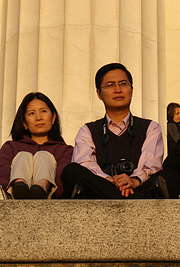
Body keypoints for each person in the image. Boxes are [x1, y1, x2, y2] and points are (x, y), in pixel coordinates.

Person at [62, 62, 172, 199]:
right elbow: (85, 164)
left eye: (123, 84)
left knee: (170, 173)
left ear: (132, 90)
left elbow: (151, 166)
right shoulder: (88, 130)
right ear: (99, 94)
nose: (118, 89)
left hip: (137, 186)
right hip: (103, 192)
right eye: (110, 85)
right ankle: (131, 200)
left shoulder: (151, 127)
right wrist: (111, 181)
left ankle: (126, 198)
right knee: (71, 171)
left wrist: (133, 181)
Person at [0, 92, 73, 199]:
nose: (38, 117)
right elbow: (0, 172)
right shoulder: (11, 147)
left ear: (53, 117)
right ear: (24, 122)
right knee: (23, 156)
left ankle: (41, 187)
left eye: (43, 111)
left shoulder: (65, 150)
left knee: (44, 156)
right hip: (13, 200)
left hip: (51, 200)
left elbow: (64, 177)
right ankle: (20, 186)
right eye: (31, 113)